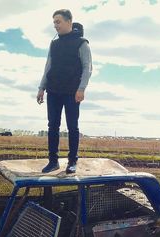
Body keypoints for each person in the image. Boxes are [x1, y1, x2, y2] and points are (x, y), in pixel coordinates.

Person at [37, 9, 92, 174]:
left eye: (58, 22)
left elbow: (87, 68)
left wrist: (81, 89)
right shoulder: (54, 44)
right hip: (53, 90)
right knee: (52, 126)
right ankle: (53, 161)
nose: (55, 25)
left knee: (72, 126)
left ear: (69, 21)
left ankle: (72, 162)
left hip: (72, 92)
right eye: (54, 22)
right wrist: (41, 88)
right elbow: (48, 66)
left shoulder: (82, 43)